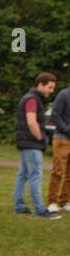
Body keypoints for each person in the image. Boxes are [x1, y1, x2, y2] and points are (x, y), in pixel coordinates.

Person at [14, 71, 60, 218]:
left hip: (25, 142)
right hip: (31, 143)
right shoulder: (33, 100)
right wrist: (40, 138)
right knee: (35, 176)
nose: (51, 91)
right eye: (50, 87)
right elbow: (31, 121)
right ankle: (40, 209)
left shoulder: (29, 98)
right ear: (41, 84)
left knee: (23, 175)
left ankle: (19, 206)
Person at [46, 79, 70, 211]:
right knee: (58, 171)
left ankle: (64, 201)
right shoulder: (64, 95)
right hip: (62, 138)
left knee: (69, 174)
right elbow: (55, 115)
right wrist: (67, 129)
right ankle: (52, 201)